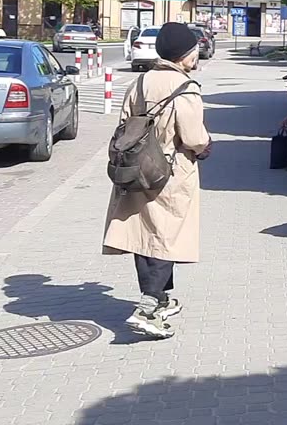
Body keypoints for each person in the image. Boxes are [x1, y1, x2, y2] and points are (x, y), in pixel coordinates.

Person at [103, 22, 211, 340]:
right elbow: (193, 137)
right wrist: (205, 146)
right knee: (168, 237)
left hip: (136, 169)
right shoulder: (185, 87)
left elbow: (125, 124)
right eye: (194, 51)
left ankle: (162, 298)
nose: (196, 55)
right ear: (184, 55)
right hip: (171, 173)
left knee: (143, 234)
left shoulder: (139, 83)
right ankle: (147, 309)